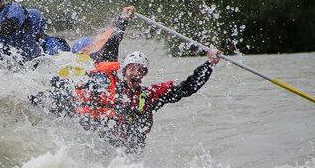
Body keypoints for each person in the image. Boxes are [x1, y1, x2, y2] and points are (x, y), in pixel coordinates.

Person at [85, 49, 222, 153]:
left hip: (133, 152)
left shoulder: (150, 95)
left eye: (140, 70)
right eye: (131, 69)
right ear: (124, 71)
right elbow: (111, 50)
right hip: (105, 147)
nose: (135, 73)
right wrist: (123, 20)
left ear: (144, 74)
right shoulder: (112, 89)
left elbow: (187, 88)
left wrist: (209, 64)